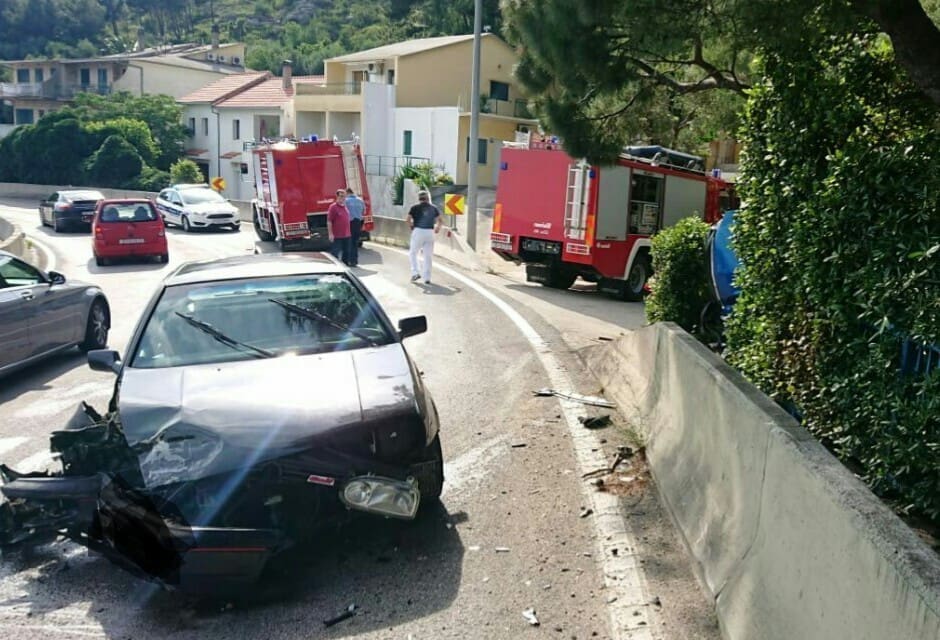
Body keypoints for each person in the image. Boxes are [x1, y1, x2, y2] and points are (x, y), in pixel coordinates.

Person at [407, 190, 442, 284]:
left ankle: (415, 273)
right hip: (430, 232)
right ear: (427, 198)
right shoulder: (434, 208)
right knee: (428, 255)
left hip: (418, 231)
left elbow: (408, 219)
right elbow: (440, 220)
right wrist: (438, 228)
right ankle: (427, 278)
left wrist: (411, 227)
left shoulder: (414, 207)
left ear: (419, 198)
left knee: (413, 253)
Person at [327, 189, 352, 265]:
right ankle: (335, 267)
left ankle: (345, 267)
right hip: (337, 235)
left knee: (347, 252)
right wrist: (330, 234)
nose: (343, 198)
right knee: (335, 253)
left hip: (347, 235)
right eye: (341, 196)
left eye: (344, 196)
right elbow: (329, 221)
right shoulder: (333, 207)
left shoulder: (345, 207)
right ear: (337, 196)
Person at [345, 187, 365, 267]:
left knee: (349, 242)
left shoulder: (346, 201)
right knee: (355, 242)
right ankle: (355, 261)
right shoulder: (360, 200)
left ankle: (349, 260)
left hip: (350, 223)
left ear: (347, 193)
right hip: (358, 223)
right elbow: (363, 211)